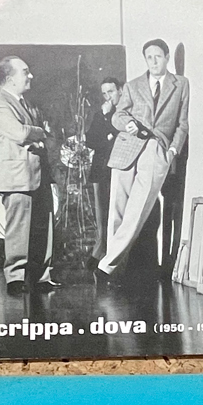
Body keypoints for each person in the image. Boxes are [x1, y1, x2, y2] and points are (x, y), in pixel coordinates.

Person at [95, 38, 189, 285]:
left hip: (157, 148)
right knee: (117, 210)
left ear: (167, 57)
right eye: (149, 57)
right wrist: (126, 123)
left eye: (158, 56)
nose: (153, 61)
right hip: (127, 146)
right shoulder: (133, 85)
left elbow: (182, 123)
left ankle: (106, 266)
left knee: (137, 210)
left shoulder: (181, 84)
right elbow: (118, 115)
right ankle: (114, 270)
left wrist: (172, 150)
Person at [0, 56, 58, 296]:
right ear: (10, 78)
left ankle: (41, 277)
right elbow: (20, 133)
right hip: (17, 179)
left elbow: (34, 136)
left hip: (37, 176)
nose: (31, 76)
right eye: (25, 72)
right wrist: (39, 132)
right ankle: (15, 279)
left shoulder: (25, 103)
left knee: (42, 228)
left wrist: (34, 136)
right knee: (18, 230)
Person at [84, 76, 121, 268]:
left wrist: (106, 132)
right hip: (100, 170)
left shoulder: (124, 114)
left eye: (111, 92)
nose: (108, 97)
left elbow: (117, 139)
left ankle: (110, 255)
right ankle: (99, 251)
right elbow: (90, 140)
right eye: (104, 93)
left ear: (120, 91)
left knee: (116, 214)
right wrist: (106, 135)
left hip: (117, 170)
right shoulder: (100, 114)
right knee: (102, 215)